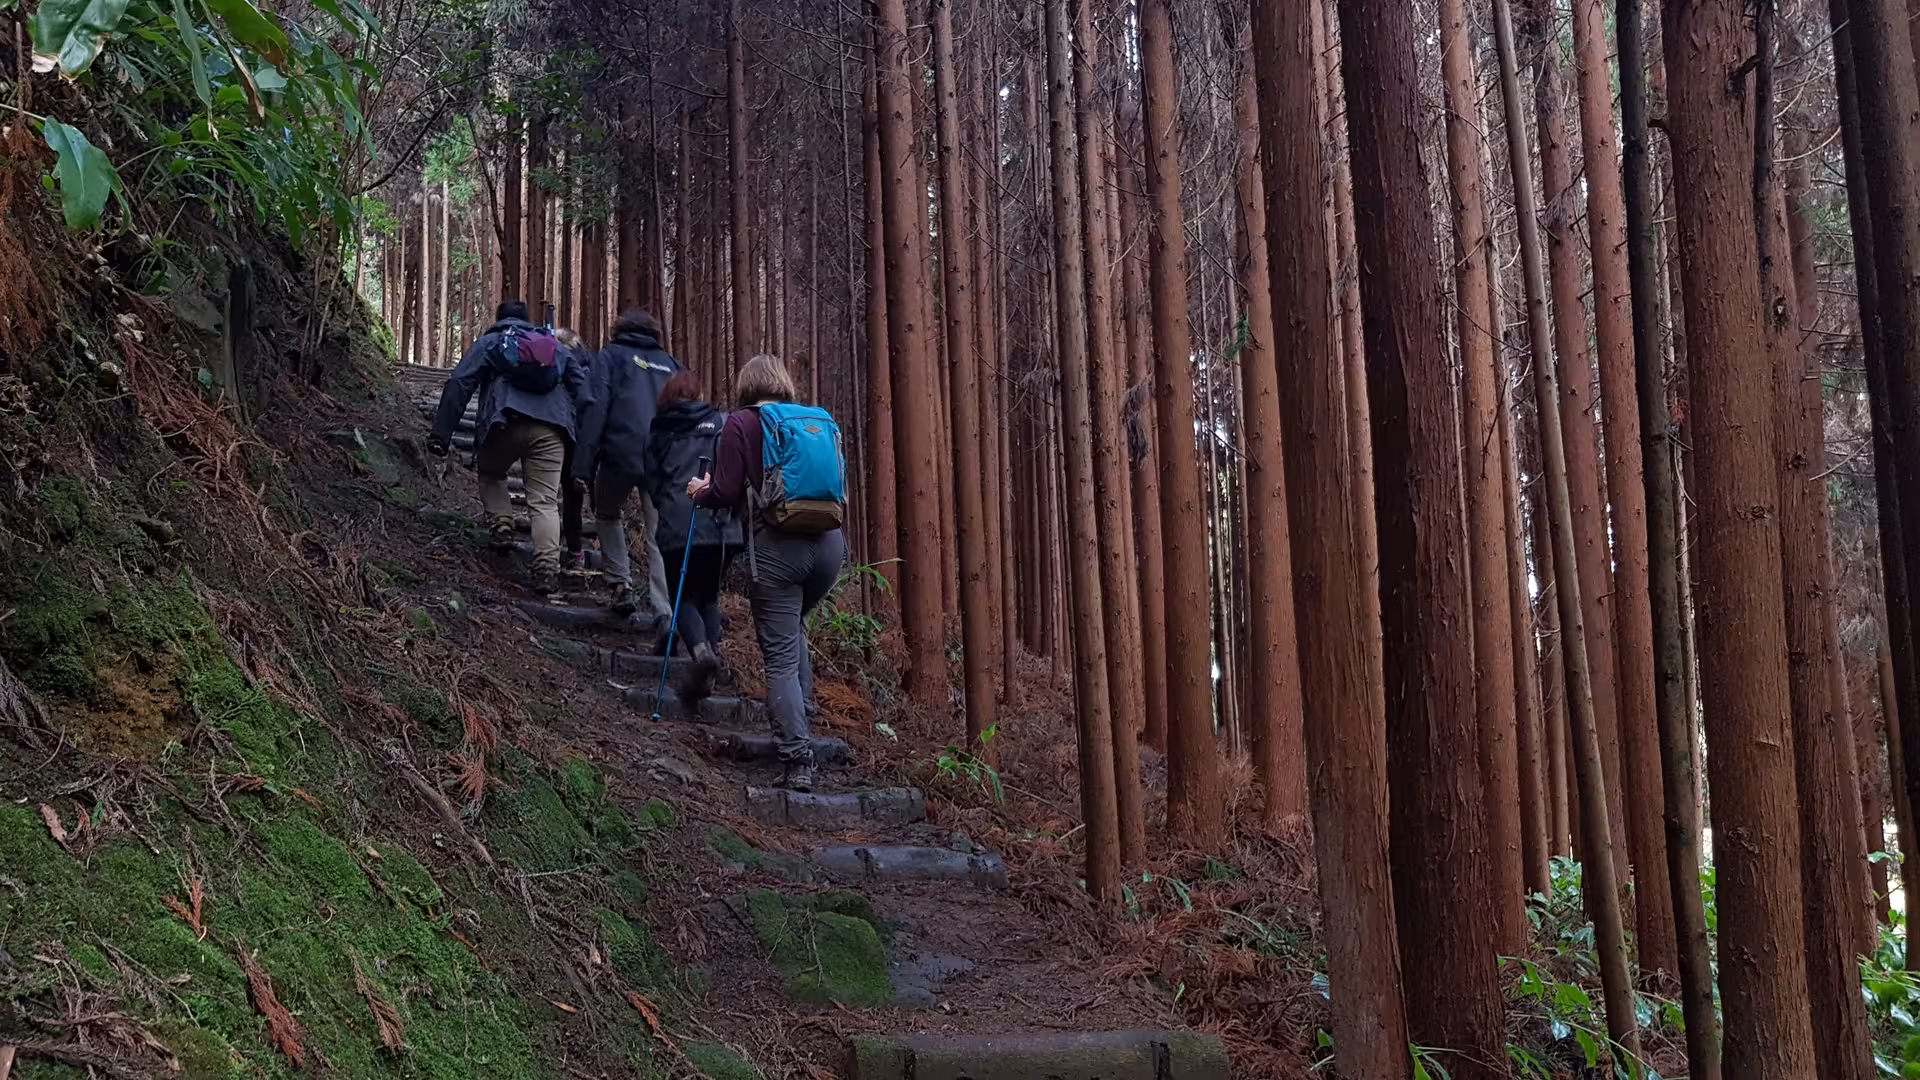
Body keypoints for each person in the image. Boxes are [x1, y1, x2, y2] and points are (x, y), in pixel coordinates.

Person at [690, 355, 847, 792]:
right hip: (830, 546)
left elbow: (723, 491)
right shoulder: (816, 419)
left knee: (778, 655)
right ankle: (804, 709)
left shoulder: (741, 424)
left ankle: (797, 758)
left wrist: (699, 493)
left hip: (779, 548)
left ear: (745, 386)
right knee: (794, 626)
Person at [429, 300, 591, 592]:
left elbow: (459, 382)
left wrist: (441, 435)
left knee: (491, 473)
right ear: (528, 321)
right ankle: (546, 568)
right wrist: (582, 441)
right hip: (551, 430)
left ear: (498, 319)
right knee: (544, 501)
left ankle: (502, 527)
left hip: (503, 421)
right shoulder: (553, 347)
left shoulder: (492, 342)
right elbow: (584, 392)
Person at [573, 310, 680, 618]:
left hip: (620, 453)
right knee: (659, 533)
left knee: (606, 512)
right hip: (663, 460)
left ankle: (621, 583)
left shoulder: (611, 357)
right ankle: (665, 611)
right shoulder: (670, 365)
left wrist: (582, 464)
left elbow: (594, 407)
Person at [644, 370, 744, 702]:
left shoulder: (660, 430)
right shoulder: (722, 422)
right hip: (722, 526)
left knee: (682, 596)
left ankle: (701, 654)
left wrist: (668, 504)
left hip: (678, 523)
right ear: (698, 393)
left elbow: (652, 481)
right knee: (709, 597)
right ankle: (708, 666)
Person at [553, 328, 593, 573]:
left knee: (545, 495)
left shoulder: (552, 364)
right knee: (573, 497)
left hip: (554, 430)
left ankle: (546, 551)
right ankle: (575, 551)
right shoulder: (588, 369)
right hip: (579, 436)